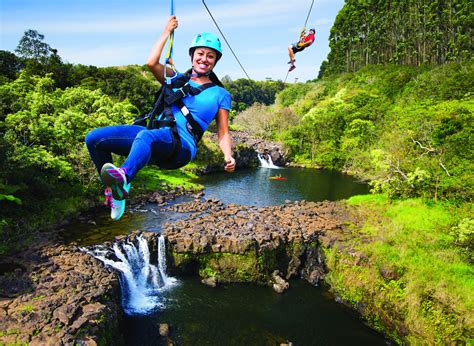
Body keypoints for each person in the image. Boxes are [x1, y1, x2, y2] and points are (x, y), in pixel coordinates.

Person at [85, 15, 235, 221]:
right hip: (154, 134)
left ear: (215, 61)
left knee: (146, 137)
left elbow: (223, 131)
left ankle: (124, 178)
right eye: (200, 53)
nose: (204, 59)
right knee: (94, 139)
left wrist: (228, 156)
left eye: (210, 56)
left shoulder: (220, 94)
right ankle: (115, 193)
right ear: (192, 56)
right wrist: (167, 31)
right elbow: (151, 63)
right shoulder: (176, 78)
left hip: (181, 146)